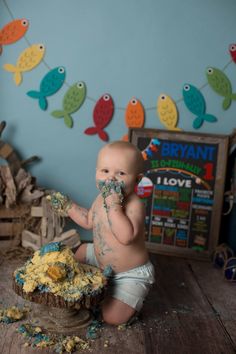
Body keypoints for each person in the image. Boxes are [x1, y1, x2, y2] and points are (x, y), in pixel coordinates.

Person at [48, 141, 155, 325]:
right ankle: (92, 286)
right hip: (100, 261)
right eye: (105, 171)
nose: (111, 179)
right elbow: (89, 221)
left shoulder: (135, 205)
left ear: (137, 180)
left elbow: (126, 237)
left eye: (120, 173)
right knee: (81, 251)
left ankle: (123, 301)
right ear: (96, 172)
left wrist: (114, 206)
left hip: (128, 273)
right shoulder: (100, 198)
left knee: (112, 318)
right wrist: (69, 207)